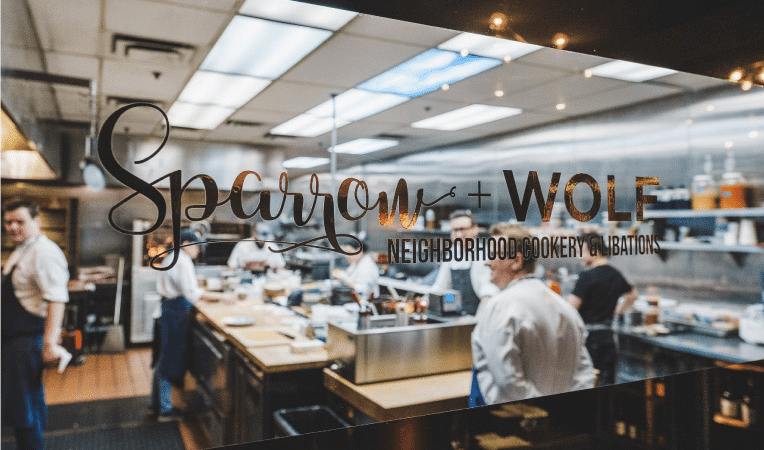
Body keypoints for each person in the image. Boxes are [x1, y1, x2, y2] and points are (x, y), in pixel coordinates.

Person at [470, 224, 595, 406]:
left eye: (492, 255)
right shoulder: (565, 307)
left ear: (516, 262)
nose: (486, 262)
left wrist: (540, 412)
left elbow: (508, 383)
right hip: (561, 422)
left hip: (517, 422)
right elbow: (584, 374)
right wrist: (561, 410)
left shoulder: (500, 306)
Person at [2, 199, 70, 450]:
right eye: (8, 222)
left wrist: (50, 343)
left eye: (20, 221)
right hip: (14, 342)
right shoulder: (22, 249)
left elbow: (56, 298)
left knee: (24, 413)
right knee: (26, 408)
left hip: (26, 343)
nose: (12, 227)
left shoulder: (44, 252)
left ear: (37, 222)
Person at [567, 233, 638, 386]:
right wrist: (616, 312)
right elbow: (633, 295)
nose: (578, 256)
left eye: (581, 251)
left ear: (594, 251)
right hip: (608, 338)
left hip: (589, 339)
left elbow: (569, 308)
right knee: (607, 384)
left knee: (587, 384)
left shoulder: (587, 276)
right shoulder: (615, 274)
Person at [150, 228, 203, 422]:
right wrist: (219, 296)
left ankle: (155, 405)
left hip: (167, 310)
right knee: (167, 360)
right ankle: (165, 410)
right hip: (173, 313)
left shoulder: (173, 257)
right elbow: (191, 293)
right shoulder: (182, 261)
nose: (199, 251)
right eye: (197, 247)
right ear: (187, 244)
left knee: (161, 360)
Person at [431, 210, 499, 315]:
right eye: (454, 230)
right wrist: (427, 301)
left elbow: (488, 292)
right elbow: (442, 287)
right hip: (458, 316)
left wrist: (478, 321)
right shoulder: (452, 254)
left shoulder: (484, 255)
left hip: (477, 314)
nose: (458, 234)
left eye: (462, 229)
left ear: (475, 230)